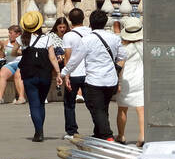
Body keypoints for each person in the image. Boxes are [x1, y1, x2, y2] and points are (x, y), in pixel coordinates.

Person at [64, 9, 122, 141]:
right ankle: (100, 133)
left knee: (97, 109)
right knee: (103, 107)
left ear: (90, 22)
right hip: (111, 79)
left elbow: (74, 59)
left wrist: (64, 72)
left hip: (94, 79)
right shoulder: (114, 38)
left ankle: (107, 135)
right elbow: (122, 55)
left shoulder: (87, 40)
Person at [18, 9, 64, 142]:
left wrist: (22, 52)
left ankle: (39, 132)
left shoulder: (23, 39)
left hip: (29, 75)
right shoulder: (47, 38)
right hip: (45, 74)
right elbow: (53, 58)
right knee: (41, 104)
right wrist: (58, 73)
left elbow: (14, 52)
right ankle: (40, 130)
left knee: (34, 104)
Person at [115, 17, 145, 147]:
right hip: (140, 79)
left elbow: (119, 66)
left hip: (126, 80)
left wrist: (118, 82)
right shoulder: (144, 46)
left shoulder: (123, 49)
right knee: (141, 109)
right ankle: (142, 135)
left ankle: (121, 135)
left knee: (122, 109)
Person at [60, 8, 87, 140]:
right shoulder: (90, 32)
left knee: (69, 104)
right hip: (89, 73)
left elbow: (68, 56)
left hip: (74, 73)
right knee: (94, 104)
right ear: (83, 18)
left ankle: (71, 131)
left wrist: (66, 75)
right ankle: (100, 129)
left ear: (70, 20)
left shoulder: (68, 35)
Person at [0, 24, 27, 106]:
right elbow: (2, 56)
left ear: (18, 34)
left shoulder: (24, 41)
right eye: (9, 33)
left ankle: (21, 97)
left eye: (11, 33)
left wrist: (15, 52)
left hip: (21, 63)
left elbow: (26, 53)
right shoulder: (5, 43)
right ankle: (0, 97)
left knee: (18, 74)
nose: (9, 35)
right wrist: (1, 49)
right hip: (10, 64)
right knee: (2, 73)